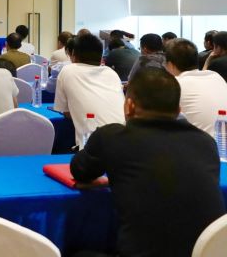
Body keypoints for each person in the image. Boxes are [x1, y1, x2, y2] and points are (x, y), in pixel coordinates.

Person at [70, 68, 225, 257]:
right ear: (179, 110)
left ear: (129, 106)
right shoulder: (206, 143)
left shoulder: (111, 137)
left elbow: (80, 171)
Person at [53, 33, 124, 148]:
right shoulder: (111, 73)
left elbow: (65, 112)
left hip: (92, 147)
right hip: (124, 142)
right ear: (101, 57)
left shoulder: (68, 70)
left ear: (74, 55)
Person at [165, 38, 227, 136]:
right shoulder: (215, 76)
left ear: (170, 65)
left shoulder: (175, 85)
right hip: (220, 141)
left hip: (202, 143)